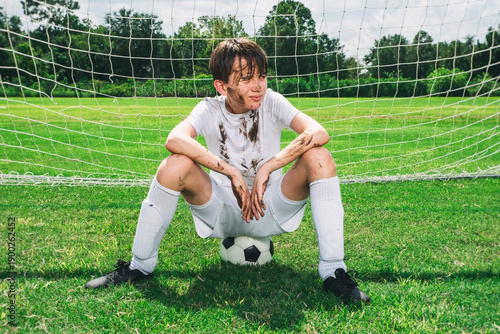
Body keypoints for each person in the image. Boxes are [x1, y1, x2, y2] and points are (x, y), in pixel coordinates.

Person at [84, 38, 370, 304]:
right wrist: (231, 171)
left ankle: (334, 272)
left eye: (261, 76)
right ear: (222, 87)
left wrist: (268, 167)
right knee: (175, 164)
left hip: (270, 207)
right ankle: (139, 267)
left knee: (319, 156)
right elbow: (175, 138)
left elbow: (318, 132)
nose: (258, 85)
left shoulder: (271, 100)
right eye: (246, 79)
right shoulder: (209, 108)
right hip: (221, 209)